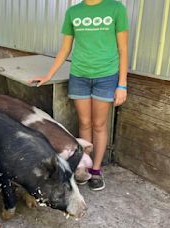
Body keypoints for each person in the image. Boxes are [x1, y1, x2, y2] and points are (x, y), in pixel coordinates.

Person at [29, 0, 128, 191]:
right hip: (79, 76)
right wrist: (48, 75)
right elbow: (65, 48)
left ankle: (97, 170)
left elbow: (123, 49)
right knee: (84, 124)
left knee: (99, 124)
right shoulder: (73, 12)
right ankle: (85, 166)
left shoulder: (116, 9)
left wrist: (122, 84)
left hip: (106, 76)